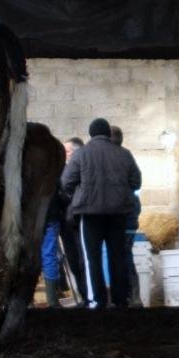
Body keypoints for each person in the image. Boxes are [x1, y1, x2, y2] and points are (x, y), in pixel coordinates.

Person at [61, 118, 141, 308]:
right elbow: (136, 182)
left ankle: (96, 300)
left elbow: (66, 182)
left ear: (90, 134)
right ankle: (121, 299)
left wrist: (77, 195)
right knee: (118, 257)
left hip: (89, 215)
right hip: (118, 214)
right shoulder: (124, 154)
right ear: (107, 133)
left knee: (92, 259)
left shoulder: (81, 154)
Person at [110, 126, 143, 307]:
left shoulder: (106, 157)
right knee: (125, 254)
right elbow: (137, 182)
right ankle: (133, 295)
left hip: (114, 215)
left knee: (118, 256)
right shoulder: (127, 155)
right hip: (129, 214)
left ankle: (124, 295)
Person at [57, 137, 88, 303]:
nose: (64, 154)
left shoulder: (84, 167)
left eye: (67, 151)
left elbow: (65, 189)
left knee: (82, 258)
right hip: (66, 220)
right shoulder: (62, 168)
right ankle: (83, 294)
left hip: (78, 218)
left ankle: (88, 295)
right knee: (73, 259)